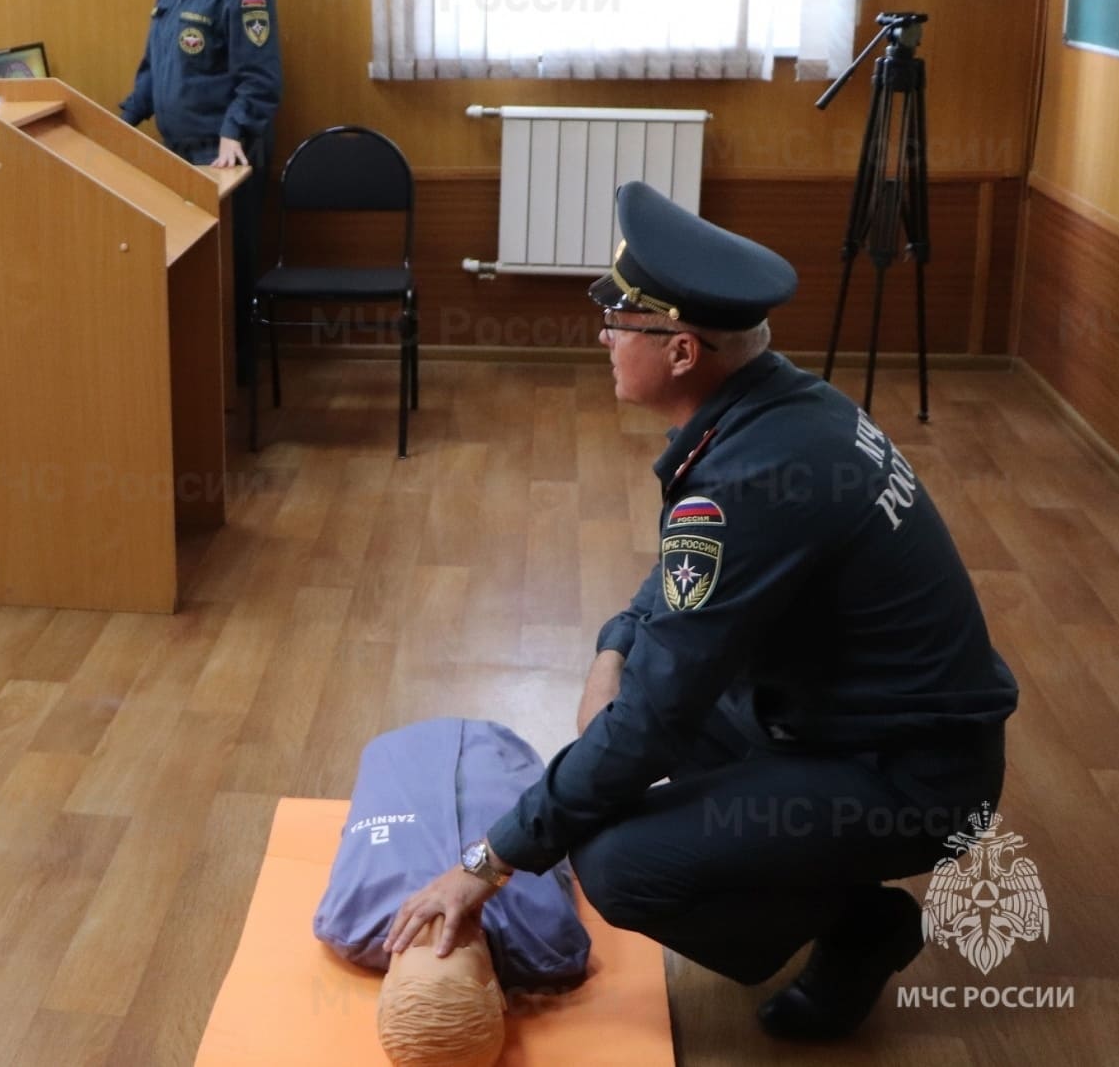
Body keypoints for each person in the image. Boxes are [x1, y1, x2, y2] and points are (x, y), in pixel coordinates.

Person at [385, 183, 1019, 1042]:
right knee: (626, 735)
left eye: (618, 319)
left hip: (914, 779)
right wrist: (613, 649)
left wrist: (488, 859)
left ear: (682, 351)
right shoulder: (779, 410)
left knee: (614, 861)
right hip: (844, 717)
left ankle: (856, 923)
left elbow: (650, 722)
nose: (603, 334)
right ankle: (815, 872)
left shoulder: (752, 475)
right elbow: (683, 580)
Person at [117, 0, 282, 381]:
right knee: (188, 270)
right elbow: (154, 68)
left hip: (226, 153)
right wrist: (122, 120)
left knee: (229, 268)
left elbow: (259, 78)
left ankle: (237, 379)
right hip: (177, 151)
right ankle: (198, 377)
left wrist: (234, 130)